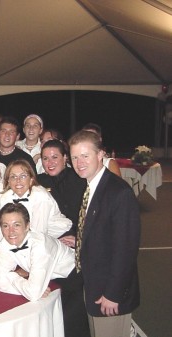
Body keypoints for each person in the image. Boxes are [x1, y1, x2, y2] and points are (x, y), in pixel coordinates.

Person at [69, 130, 140, 337]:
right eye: (74, 157)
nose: (79, 162)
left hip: (109, 294)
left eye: (85, 155)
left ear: (101, 155)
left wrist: (113, 293)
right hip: (94, 285)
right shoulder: (92, 186)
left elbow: (126, 249)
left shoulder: (119, 192)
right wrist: (81, 240)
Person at [0, 203, 74, 301]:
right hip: (48, 279)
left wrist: (11, 275)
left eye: (16, 225)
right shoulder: (5, 243)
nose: (11, 231)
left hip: (74, 278)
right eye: (5, 226)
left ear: (27, 226)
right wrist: (27, 290)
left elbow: (33, 294)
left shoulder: (40, 245)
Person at [0, 159, 72, 239]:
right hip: (30, 236)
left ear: (31, 180)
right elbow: (2, 229)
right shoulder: (5, 197)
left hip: (60, 235)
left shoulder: (40, 196)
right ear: (8, 181)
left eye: (23, 176)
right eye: (13, 177)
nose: (18, 181)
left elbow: (38, 234)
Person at [37, 139, 87, 246]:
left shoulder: (80, 179)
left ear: (65, 158)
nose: (50, 163)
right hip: (49, 238)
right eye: (45, 158)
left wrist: (78, 238)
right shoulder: (38, 182)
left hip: (78, 238)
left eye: (55, 157)